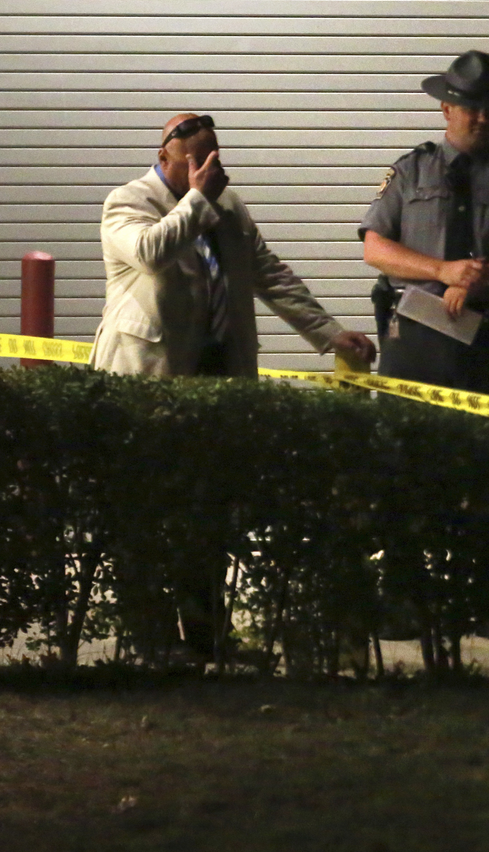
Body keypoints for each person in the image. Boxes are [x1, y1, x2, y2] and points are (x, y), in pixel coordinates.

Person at [92, 111, 375, 658]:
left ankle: (208, 639)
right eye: (197, 159)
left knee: (208, 516)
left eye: (215, 157)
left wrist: (331, 334)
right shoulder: (126, 203)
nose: (209, 169)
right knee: (149, 518)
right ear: (166, 155)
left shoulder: (229, 208)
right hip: (150, 385)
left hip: (217, 378)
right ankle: (151, 644)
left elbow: (269, 274)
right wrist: (196, 200)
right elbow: (152, 252)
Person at [359, 51, 489, 642]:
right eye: (470, 107)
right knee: (407, 472)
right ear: (446, 107)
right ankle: (403, 597)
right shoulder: (411, 171)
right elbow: (375, 247)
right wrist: (442, 269)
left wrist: (487, 275)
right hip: (418, 342)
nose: (480, 118)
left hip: (488, 344)